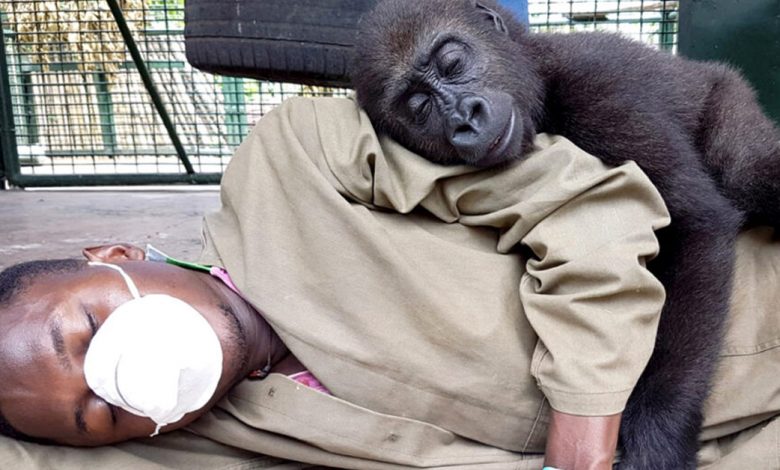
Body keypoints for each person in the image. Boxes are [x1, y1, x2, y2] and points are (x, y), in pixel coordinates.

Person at [0, 97, 777, 469]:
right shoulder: (213, 437)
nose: (127, 379)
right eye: (98, 415)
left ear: (114, 254)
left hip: (742, 304)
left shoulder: (294, 162)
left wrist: (584, 430)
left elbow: (589, 204)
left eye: (92, 330)